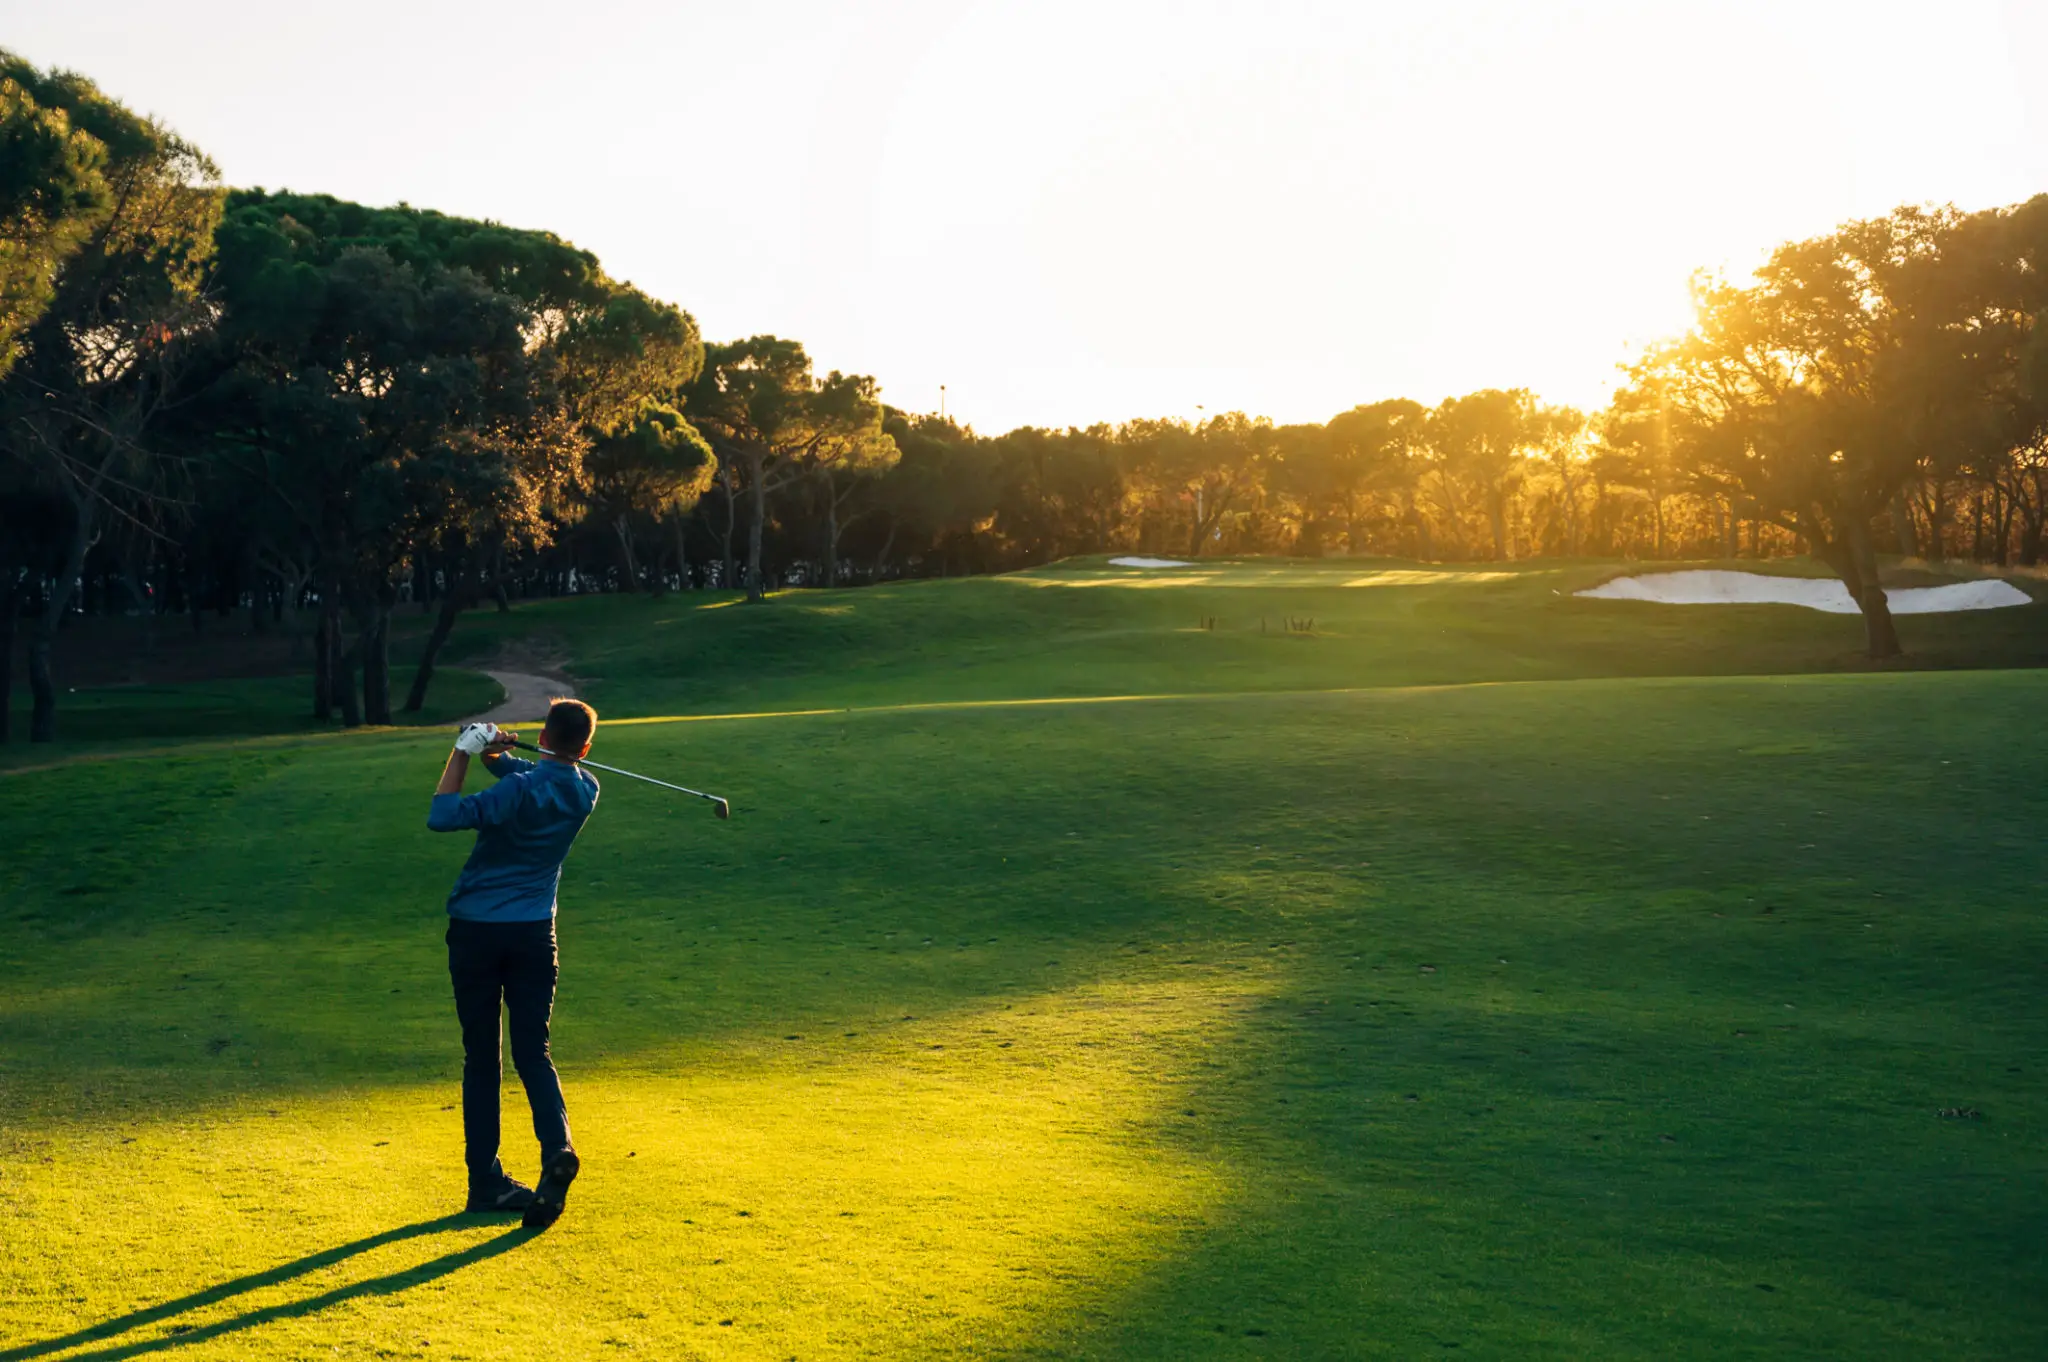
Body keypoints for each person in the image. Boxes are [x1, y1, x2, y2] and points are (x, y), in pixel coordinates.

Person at [427, 699, 601, 1229]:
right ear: (586, 748)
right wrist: (496, 753)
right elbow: (535, 773)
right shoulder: (586, 789)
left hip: (478, 932)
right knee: (533, 1052)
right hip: (534, 934)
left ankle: (485, 1183)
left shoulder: (516, 792)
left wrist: (463, 751)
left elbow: (443, 815)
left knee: (482, 1058)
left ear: (544, 735)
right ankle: (557, 1148)